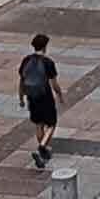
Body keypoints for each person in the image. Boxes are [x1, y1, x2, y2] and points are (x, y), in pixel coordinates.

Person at [18, 33, 64, 170]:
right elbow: (54, 84)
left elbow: (21, 81)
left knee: (38, 124)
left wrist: (21, 97)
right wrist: (60, 95)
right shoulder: (48, 62)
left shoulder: (26, 60)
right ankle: (42, 148)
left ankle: (43, 151)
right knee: (51, 123)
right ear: (45, 47)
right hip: (45, 97)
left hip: (32, 96)